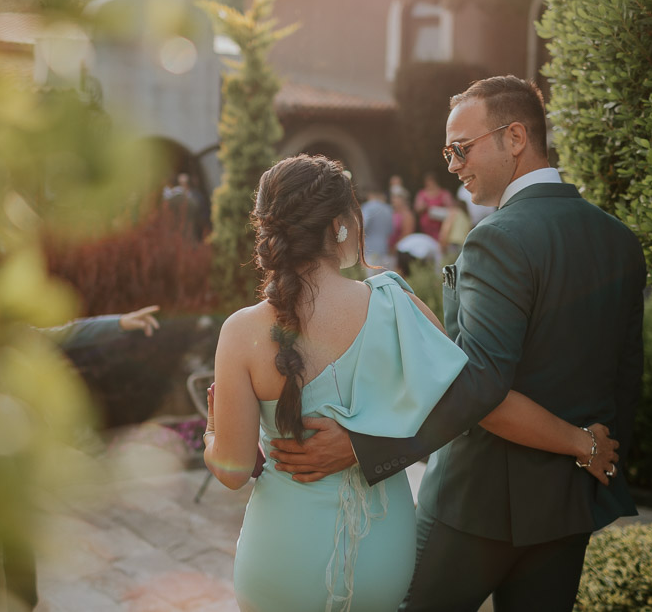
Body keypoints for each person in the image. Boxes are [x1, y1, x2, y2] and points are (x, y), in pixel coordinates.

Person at [268, 76, 646, 612]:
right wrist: (598, 457)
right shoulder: (619, 240)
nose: (452, 164)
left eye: (461, 148)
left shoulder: (499, 237)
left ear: (515, 137)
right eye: (449, 151)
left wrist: (364, 447)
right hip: (568, 504)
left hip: (476, 504)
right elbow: (627, 375)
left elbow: (479, 384)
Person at [203, 154, 618, 612]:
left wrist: (211, 434)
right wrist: (581, 443)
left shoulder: (241, 332)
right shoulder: (396, 306)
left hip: (280, 555)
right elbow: (478, 399)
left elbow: (234, 470)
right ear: (341, 226)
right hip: (381, 555)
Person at [0, 273, 161, 612]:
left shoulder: (9, 337)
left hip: (12, 468)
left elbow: (70, 332)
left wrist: (120, 322)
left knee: (17, 554)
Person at [359, 187, 393, 268]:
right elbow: (391, 230)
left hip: (370, 248)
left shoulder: (368, 207)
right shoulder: (388, 209)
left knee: (370, 278)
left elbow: (362, 226)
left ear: (370, 195)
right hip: (384, 248)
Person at [412, 173, 453, 239]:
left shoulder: (444, 193)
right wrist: (423, 207)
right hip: (425, 229)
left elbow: (452, 209)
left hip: (441, 227)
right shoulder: (422, 193)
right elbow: (417, 209)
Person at [387, 191, 415, 259]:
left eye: (396, 198)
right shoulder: (392, 212)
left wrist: (395, 248)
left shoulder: (407, 215)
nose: (393, 200)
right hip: (388, 249)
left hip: (400, 249)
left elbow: (407, 234)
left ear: (403, 200)